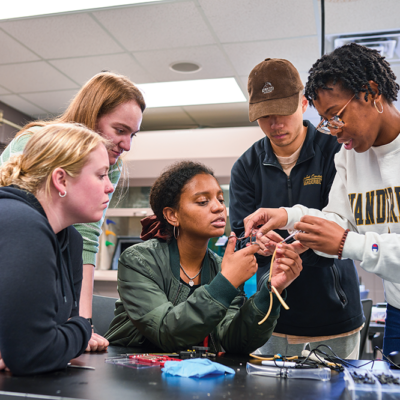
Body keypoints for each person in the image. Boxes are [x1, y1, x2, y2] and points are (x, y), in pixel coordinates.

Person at [243, 43, 400, 356]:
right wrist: (290, 218)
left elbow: (344, 237)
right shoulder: (349, 157)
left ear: (370, 92)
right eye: (327, 121)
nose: (335, 132)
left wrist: (347, 243)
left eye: (336, 116)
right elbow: (339, 218)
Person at [0, 71, 145, 351]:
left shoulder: (111, 163)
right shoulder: (33, 144)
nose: (127, 145)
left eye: (133, 134)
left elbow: (86, 235)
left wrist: (82, 323)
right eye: (120, 130)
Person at [229, 58, 364, 358]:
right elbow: (241, 236)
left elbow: (344, 228)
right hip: (273, 316)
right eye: (265, 116)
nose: (275, 125)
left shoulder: (336, 151)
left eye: (283, 113)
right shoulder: (245, 168)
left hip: (335, 314)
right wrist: (258, 244)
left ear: (304, 104)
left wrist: (298, 248)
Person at [105, 161, 302, 353]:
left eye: (221, 200)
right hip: (132, 375)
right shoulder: (139, 260)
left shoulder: (220, 266)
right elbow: (166, 333)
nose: (218, 208)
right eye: (203, 201)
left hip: (192, 376)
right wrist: (226, 282)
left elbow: (235, 342)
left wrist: (271, 291)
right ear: (172, 215)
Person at [0, 123, 114, 375]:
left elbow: (52, 334)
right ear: (61, 179)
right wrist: (83, 328)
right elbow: (33, 353)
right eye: (100, 175)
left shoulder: (70, 241)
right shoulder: (21, 223)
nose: (110, 186)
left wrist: (66, 331)